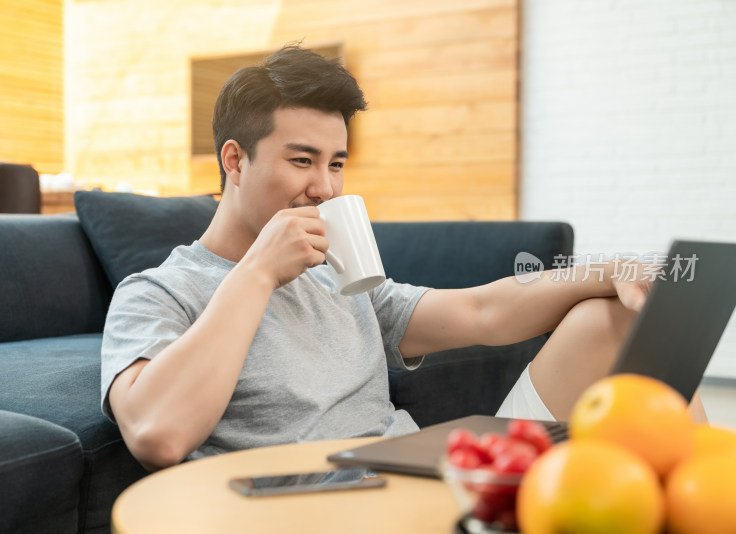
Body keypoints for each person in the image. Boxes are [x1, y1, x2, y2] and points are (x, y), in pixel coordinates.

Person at [101, 45, 706, 472]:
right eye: (302, 159)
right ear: (234, 161)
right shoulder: (157, 292)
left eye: (336, 163)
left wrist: (610, 269)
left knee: (615, 321)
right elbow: (159, 435)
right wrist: (257, 272)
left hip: (428, 474)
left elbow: (481, 311)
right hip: (328, 508)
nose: (326, 188)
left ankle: (708, 498)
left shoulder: (340, 278)